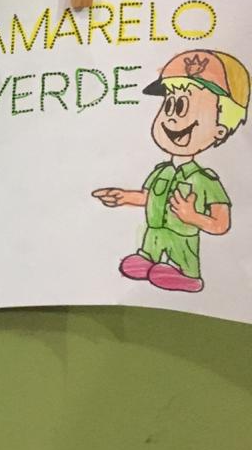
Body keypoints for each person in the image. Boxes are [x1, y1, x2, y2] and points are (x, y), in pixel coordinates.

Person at [92, 50, 247, 292]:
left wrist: (192, 216)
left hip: (182, 238)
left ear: (220, 129)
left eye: (184, 107)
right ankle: (148, 259)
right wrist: (123, 197)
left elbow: (221, 223)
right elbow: (149, 197)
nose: (172, 119)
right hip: (154, 234)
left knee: (181, 255)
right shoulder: (162, 171)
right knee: (148, 250)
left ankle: (188, 276)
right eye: (169, 105)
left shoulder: (204, 180)